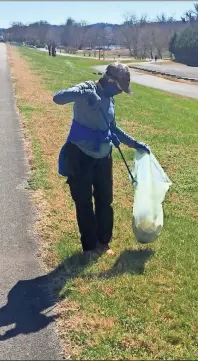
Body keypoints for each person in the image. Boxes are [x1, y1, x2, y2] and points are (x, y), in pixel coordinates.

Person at [53, 62, 150, 256]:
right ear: (110, 81)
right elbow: (58, 98)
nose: (121, 92)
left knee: (105, 200)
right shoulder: (87, 87)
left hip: (104, 156)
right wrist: (84, 94)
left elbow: (112, 127)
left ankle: (104, 242)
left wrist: (134, 143)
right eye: (119, 88)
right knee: (84, 202)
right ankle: (89, 247)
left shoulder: (110, 99)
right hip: (80, 155)